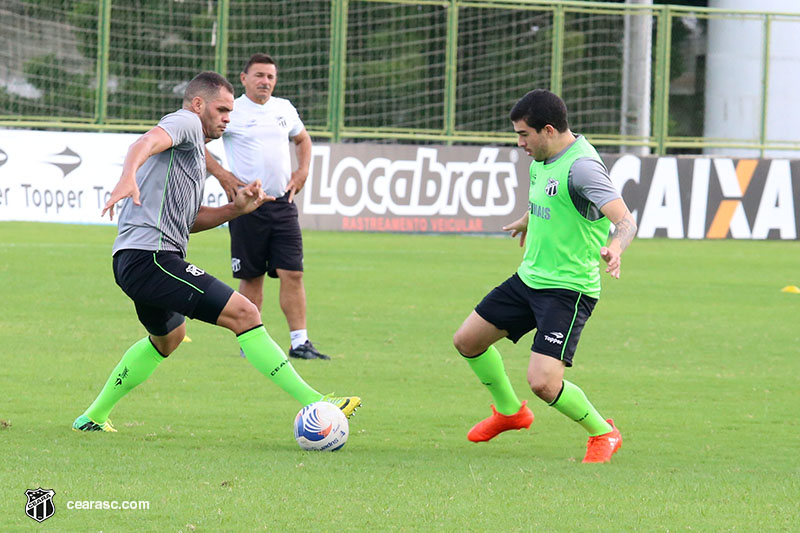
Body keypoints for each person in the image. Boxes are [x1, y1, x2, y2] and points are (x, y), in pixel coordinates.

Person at [72, 72, 360, 433]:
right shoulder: (186, 123)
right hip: (152, 258)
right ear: (198, 105)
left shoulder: (192, 159)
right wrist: (127, 176)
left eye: (231, 111)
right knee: (245, 312)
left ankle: (93, 417)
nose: (228, 117)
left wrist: (236, 210)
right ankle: (317, 402)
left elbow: (188, 221)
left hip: (140, 260)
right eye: (222, 109)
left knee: (169, 338)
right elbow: (144, 143)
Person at [452, 89, 637, 463]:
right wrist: (527, 218)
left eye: (524, 134)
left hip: (567, 291)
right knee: (467, 341)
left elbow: (625, 220)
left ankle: (604, 432)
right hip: (529, 279)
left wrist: (615, 249)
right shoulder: (543, 157)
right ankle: (510, 412)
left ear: (548, 130)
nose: (520, 143)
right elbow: (549, 199)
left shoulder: (582, 167)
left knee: (543, 382)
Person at [205, 53, 327, 361]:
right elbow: (197, 142)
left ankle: (300, 343)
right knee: (252, 276)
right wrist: (223, 176)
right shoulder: (232, 110)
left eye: (271, 76)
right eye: (259, 75)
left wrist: (303, 171)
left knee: (293, 273)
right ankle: (252, 343)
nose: (266, 82)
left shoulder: (283, 108)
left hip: (283, 204)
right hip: (247, 206)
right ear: (244, 78)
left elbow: (303, 140)